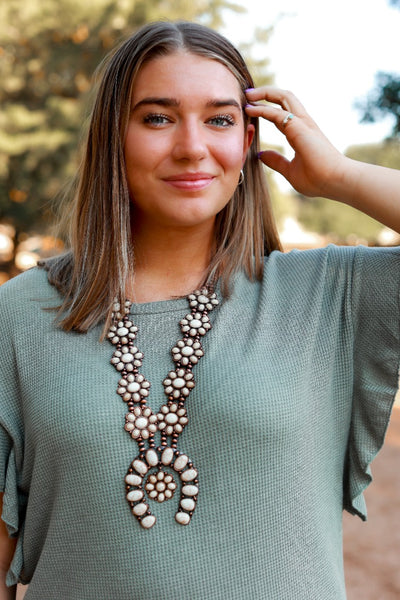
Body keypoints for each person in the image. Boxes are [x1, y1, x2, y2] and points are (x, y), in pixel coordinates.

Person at [0, 20, 399, 600]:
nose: (192, 147)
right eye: (157, 118)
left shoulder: (329, 294)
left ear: (248, 140)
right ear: (114, 136)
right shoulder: (20, 314)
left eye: (220, 119)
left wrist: (338, 176)